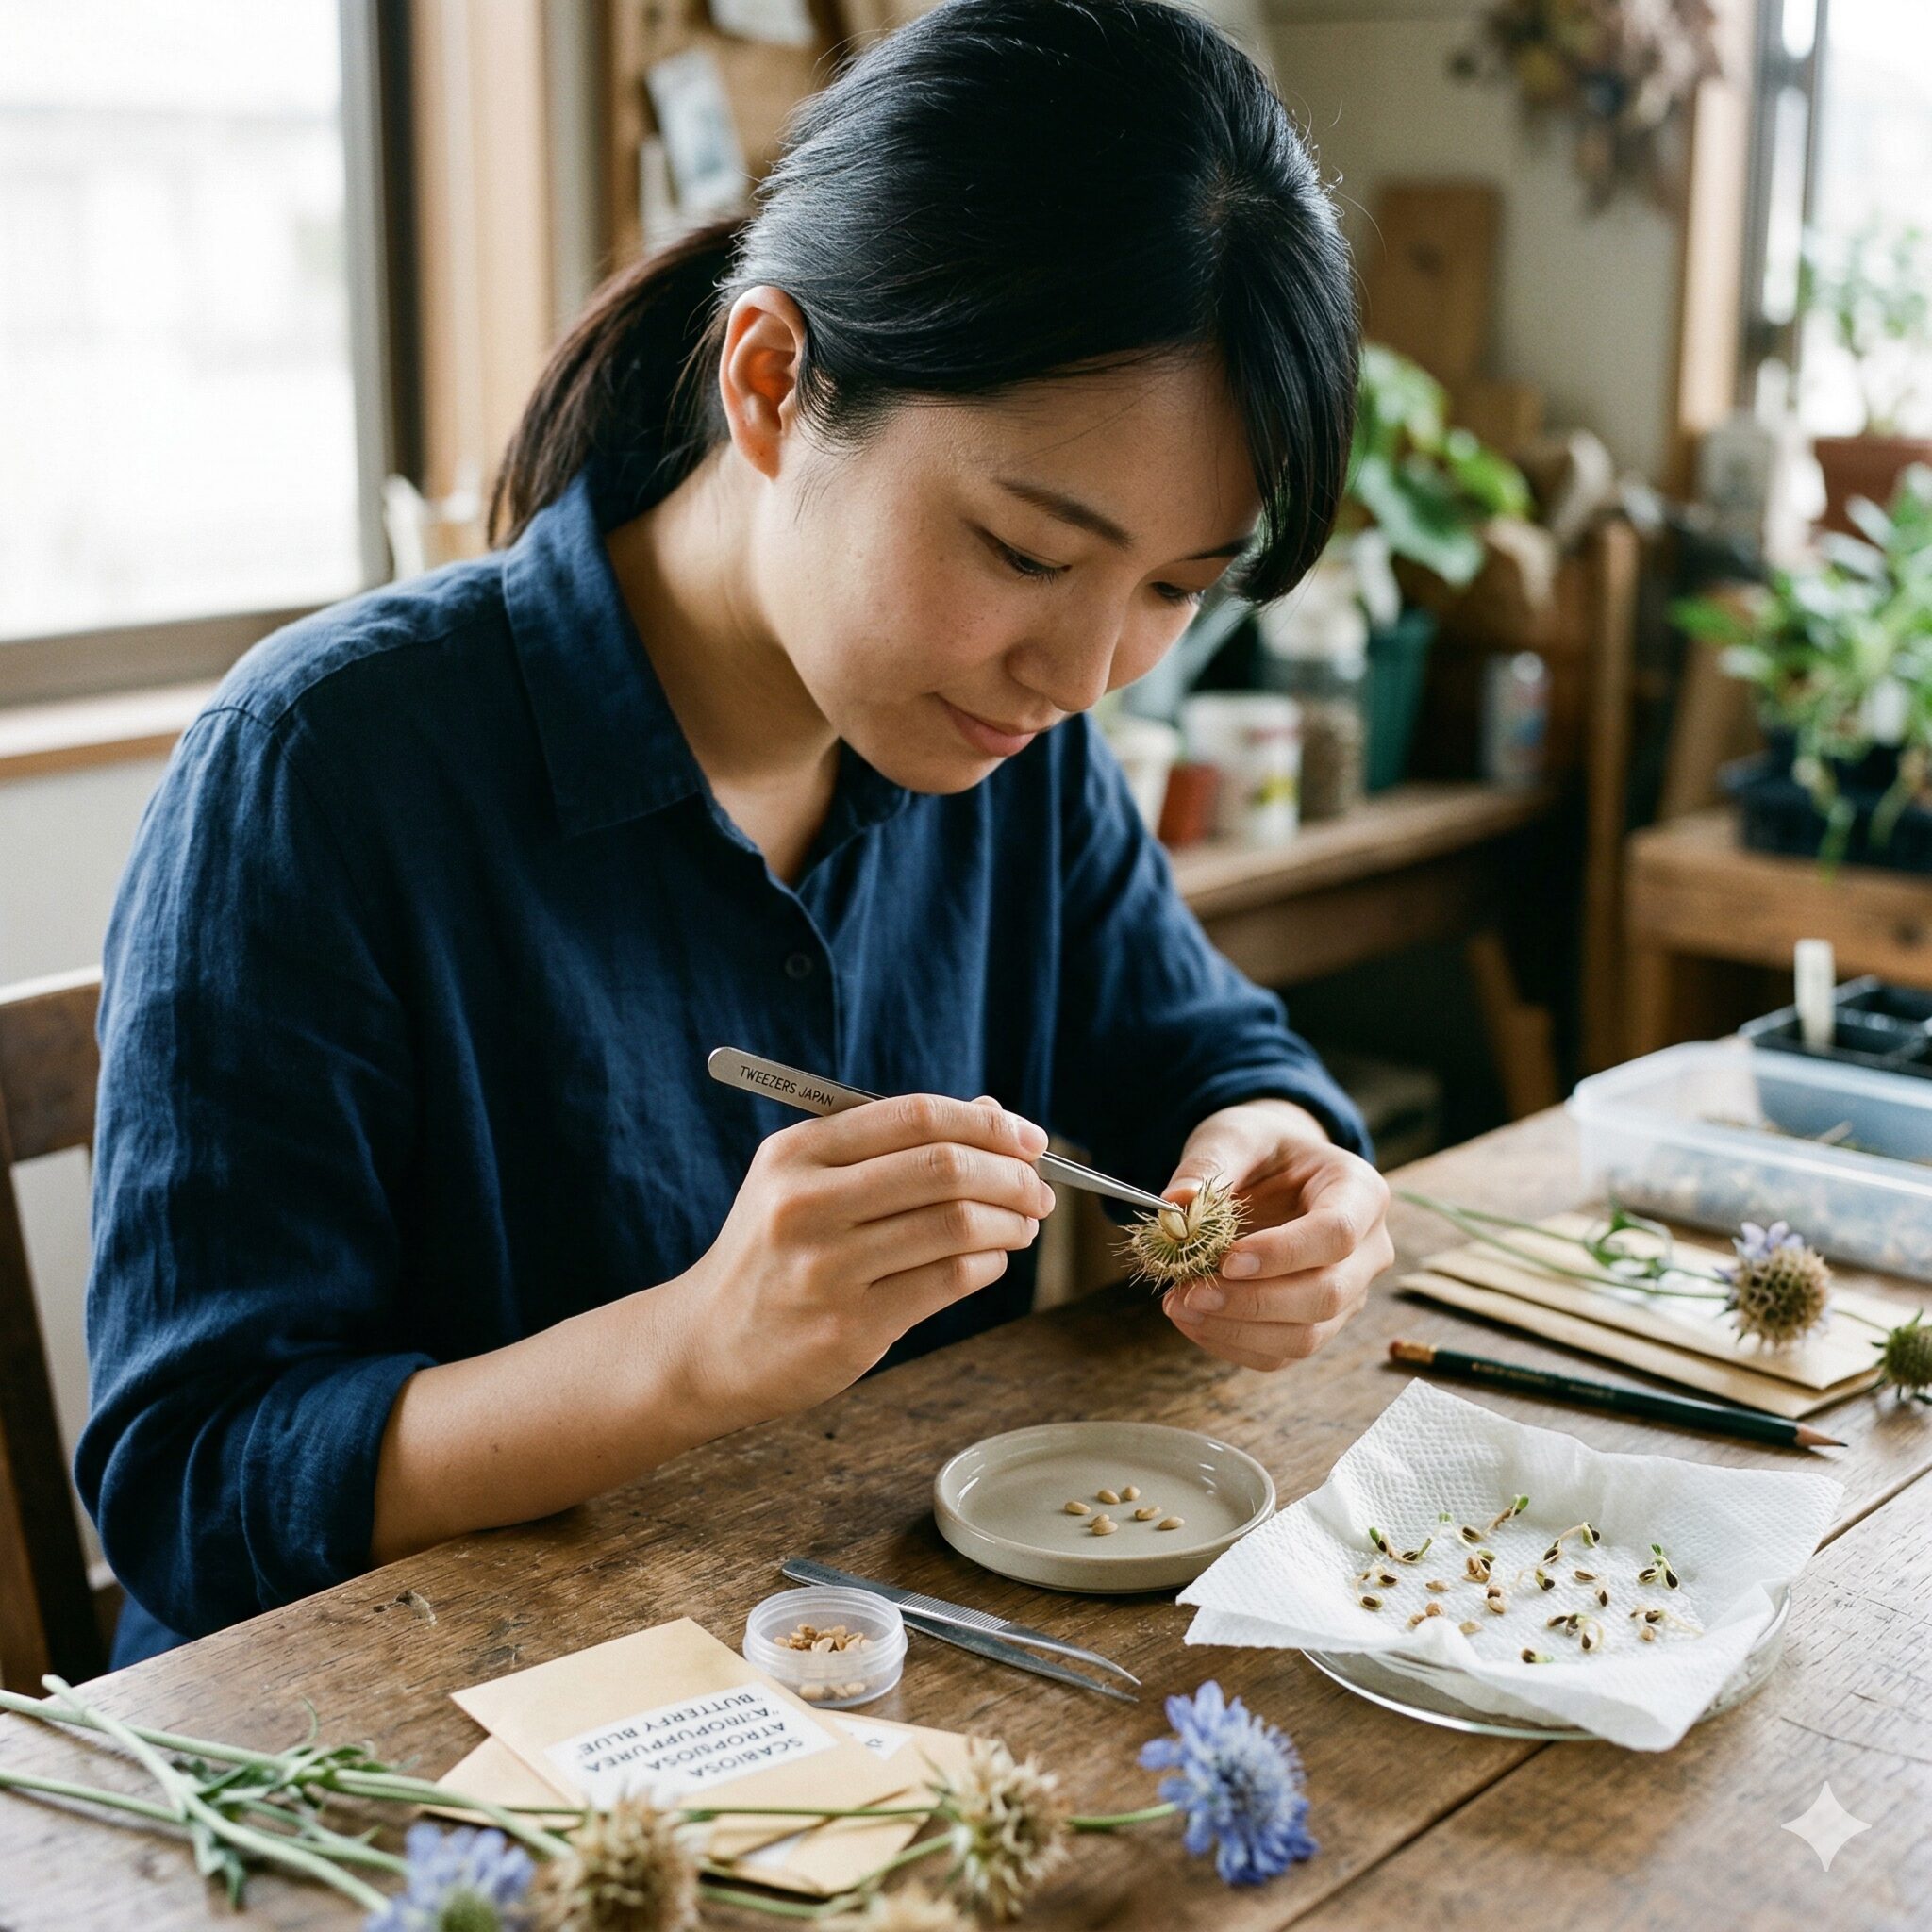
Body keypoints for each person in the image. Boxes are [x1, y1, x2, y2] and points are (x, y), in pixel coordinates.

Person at [78, 0, 1392, 1669]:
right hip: (394, 1762)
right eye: (1026, 551)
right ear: (773, 382)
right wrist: (694, 1349)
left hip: (851, 1682)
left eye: (1177, 593)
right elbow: (191, 1478)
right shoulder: (318, 770)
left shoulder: (1012, 751)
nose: (1085, 672)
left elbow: (1210, 1055)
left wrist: (1276, 1159)